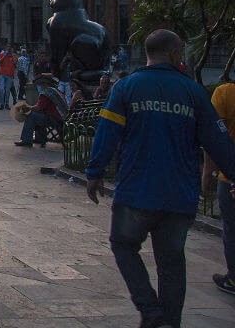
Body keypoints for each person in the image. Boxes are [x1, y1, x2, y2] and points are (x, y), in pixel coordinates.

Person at [86, 29, 235, 328]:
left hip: (136, 192)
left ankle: (151, 314)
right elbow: (218, 141)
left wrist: (94, 173)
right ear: (175, 52)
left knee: (123, 245)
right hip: (179, 196)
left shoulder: (126, 87)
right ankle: (169, 322)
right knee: (171, 262)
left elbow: (107, 133)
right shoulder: (193, 93)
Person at [204, 80, 235, 296]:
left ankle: (233, 278)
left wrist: (207, 172)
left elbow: (214, 136)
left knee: (232, 229)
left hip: (230, 176)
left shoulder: (225, 93)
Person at [14, 74, 63, 148]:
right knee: (36, 115)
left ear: (45, 84)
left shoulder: (46, 93)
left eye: (41, 84)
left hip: (53, 118)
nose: (40, 86)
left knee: (30, 116)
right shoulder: (55, 91)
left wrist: (28, 108)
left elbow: (39, 107)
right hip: (58, 117)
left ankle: (26, 140)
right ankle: (40, 138)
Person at [0, 45, 17, 111]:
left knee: (7, 90)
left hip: (10, 75)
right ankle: (1, 104)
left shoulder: (14, 55)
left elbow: (15, 62)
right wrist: (4, 55)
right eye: (7, 47)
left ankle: (6, 104)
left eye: (10, 47)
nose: (9, 48)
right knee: (1, 89)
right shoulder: (1, 54)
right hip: (2, 74)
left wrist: (12, 55)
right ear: (5, 48)